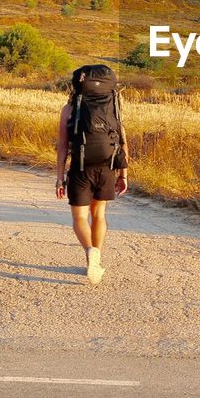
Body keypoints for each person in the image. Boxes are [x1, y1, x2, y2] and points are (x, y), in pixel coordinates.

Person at [55, 64, 129, 284]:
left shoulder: (68, 110)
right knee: (99, 215)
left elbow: (62, 145)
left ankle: (90, 252)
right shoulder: (114, 106)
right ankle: (96, 256)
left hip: (80, 166)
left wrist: (60, 177)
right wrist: (123, 174)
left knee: (79, 216)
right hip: (107, 167)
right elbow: (122, 142)